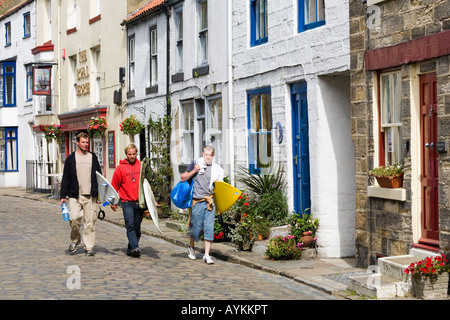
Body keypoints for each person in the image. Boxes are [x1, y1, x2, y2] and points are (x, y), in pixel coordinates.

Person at [180, 145, 224, 264]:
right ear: (202, 154)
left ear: (213, 155)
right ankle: (191, 247)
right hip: (197, 201)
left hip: (209, 201)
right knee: (196, 227)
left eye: (210, 155)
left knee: (209, 227)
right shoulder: (196, 164)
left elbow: (220, 188)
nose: (208, 157)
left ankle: (206, 254)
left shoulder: (217, 169)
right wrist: (195, 170)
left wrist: (221, 205)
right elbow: (183, 178)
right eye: (206, 155)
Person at [60, 132, 101, 256]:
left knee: (90, 223)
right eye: (83, 142)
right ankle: (75, 239)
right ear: (77, 143)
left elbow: (99, 177)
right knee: (74, 219)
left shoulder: (93, 157)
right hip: (75, 195)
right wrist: (62, 196)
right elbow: (66, 178)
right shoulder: (71, 159)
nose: (85, 144)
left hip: (91, 196)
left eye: (87, 142)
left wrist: (100, 196)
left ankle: (89, 247)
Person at [111, 144, 144, 258]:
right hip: (126, 202)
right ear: (126, 154)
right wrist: (113, 202)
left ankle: (131, 248)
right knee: (130, 225)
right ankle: (135, 247)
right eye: (130, 154)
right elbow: (114, 185)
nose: (132, 156)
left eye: (134, 154)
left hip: (139, 202)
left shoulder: (141, 166)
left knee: (137, 228)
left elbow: (148, 184)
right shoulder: (120, 168)